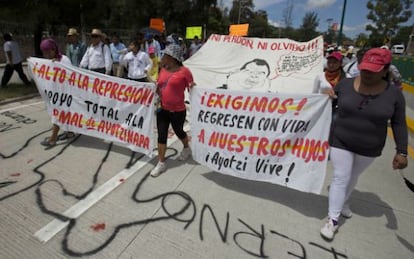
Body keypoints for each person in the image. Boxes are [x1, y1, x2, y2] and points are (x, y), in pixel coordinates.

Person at [320, 47, 408, 241]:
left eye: (373, 70)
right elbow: (328, 104)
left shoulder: (394, 95)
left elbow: (399, 123)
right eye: (365, 68)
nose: (367, 73)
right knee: (340, 177)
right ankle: (333, 219)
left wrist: (402, 151)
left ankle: (344, 202)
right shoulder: (345, 85)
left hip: (370, 147)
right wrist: (326, 94)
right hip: (340, 140)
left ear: (386, 70)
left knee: (353, 176)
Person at [150, 44, 195, 177]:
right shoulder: (163, 68)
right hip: (162, 109)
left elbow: (193, 89)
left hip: (178, 111)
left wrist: (195, 89)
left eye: (164, 55)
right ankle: (161, 163)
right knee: (161, 135)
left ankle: (186, 148)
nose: (162, 57)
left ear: (172, 58)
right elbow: (160, 84)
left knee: (179, 131)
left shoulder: (185, 72)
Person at [39, 38, 76, 148]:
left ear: (54, 49)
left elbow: (70, 76)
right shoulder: (50, 61)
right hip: (55, 93)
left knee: (58, 115)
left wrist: (58, 65)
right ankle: (69, 132)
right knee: (63, 114)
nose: (46, 55)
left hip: (64, 94)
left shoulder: (64, 60)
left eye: (48, 52)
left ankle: (52, 139)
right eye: (44, 53)